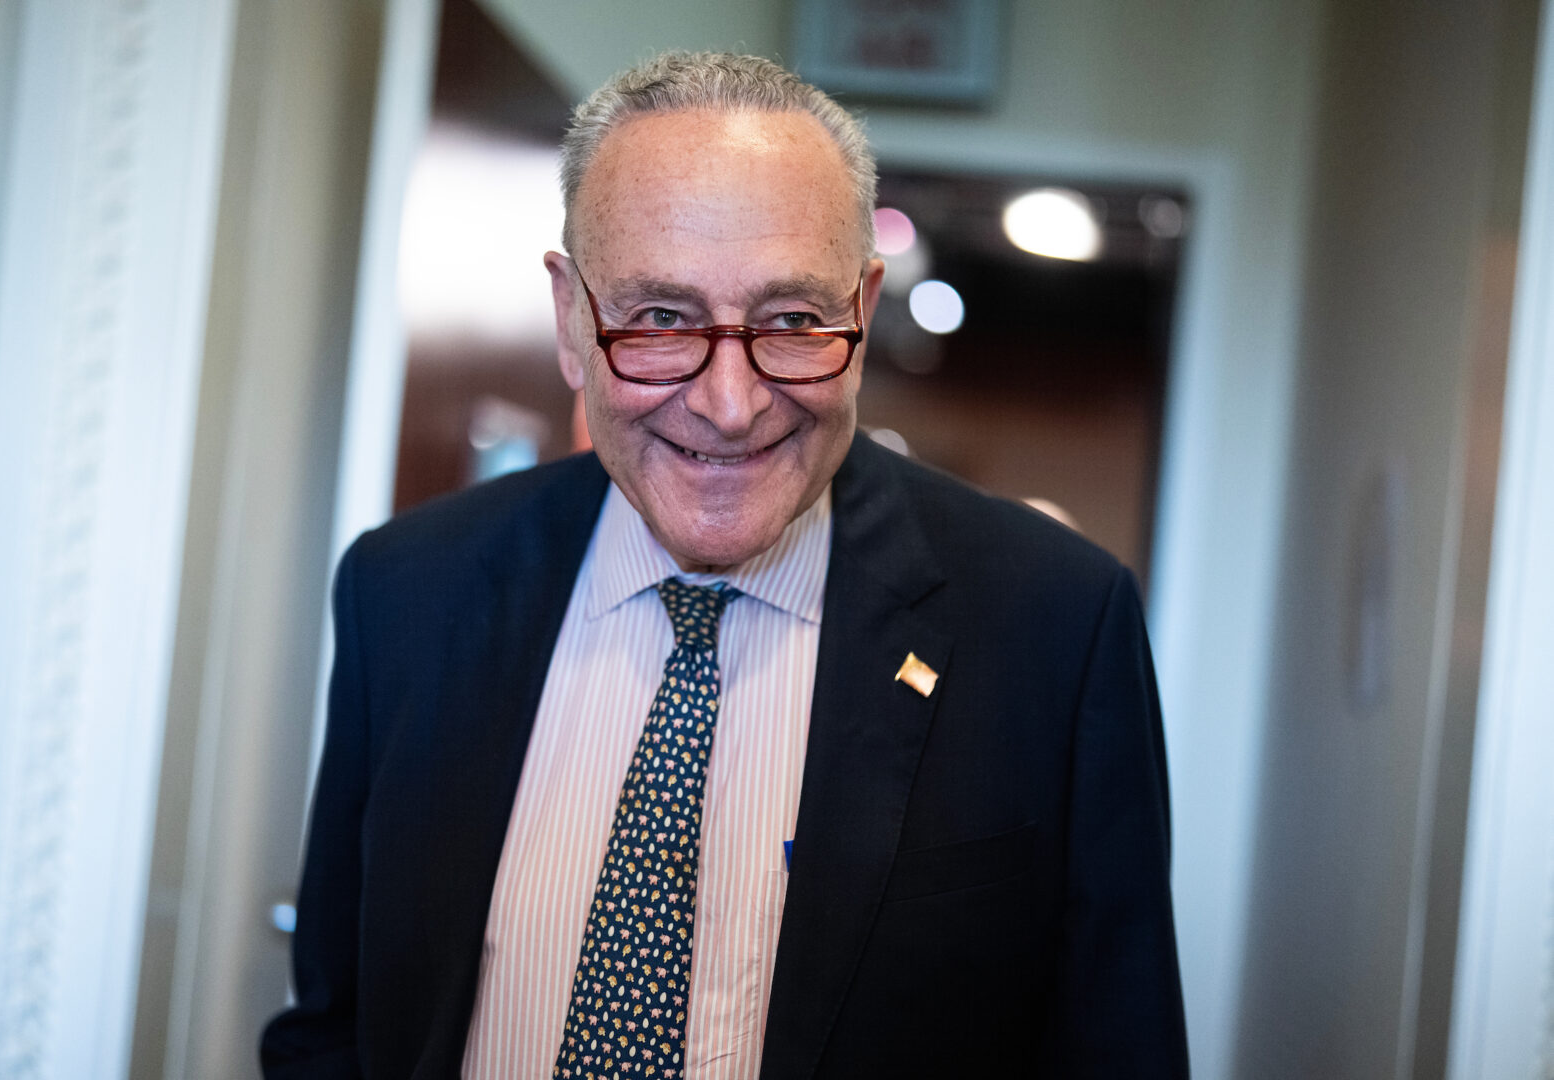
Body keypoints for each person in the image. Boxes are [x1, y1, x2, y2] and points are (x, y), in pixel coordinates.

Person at [261, 51, 1187, 1080]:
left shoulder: (1055, 626)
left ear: (863, 313)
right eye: (660, 319)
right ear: (573, 319)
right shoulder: (407, 593)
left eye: (792, 323)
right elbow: (333, 1031)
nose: (730, 404)